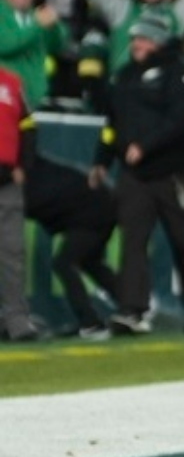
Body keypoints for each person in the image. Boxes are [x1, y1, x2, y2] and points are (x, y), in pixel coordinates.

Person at [94, 11, 184, 336]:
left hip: (176, 173)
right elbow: (112, 124)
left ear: (158, 41)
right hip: (136, 174)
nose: (136, 45)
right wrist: (101, 159)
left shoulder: (179, 74)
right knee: (132, 241)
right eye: (133, 39)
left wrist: (145, 145)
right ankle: (132, 309)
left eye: (142, 39)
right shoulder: (125, 76)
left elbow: (182, 120)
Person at [25, 151, 119, 339]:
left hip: (95, 208)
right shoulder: (34, 169)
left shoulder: (28, 176)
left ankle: (91, 323)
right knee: (91, 262)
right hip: (98, 204)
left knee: (64, 263)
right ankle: (132, 307)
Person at [0, 64, 40, 342]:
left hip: (6, 181)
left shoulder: (13, 82)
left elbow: (28, 125)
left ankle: (16, 319)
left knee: (12, 252)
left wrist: (24, 164)